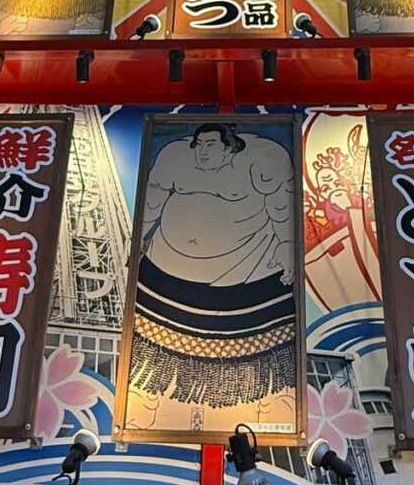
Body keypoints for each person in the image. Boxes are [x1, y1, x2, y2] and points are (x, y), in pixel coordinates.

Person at [125, 124, 298, 433]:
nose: (203, 151)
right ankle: (147, 416)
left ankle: (269, 418)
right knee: (151, 359)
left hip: (244, 271)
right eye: (200, 144)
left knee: (261, 367)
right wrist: (138, 238)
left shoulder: (263, 159)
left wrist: (286, 245)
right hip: (167, 269)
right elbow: (151, 202)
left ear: (229, 147)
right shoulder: (173, 157)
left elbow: (282, 207)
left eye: (211, 144)